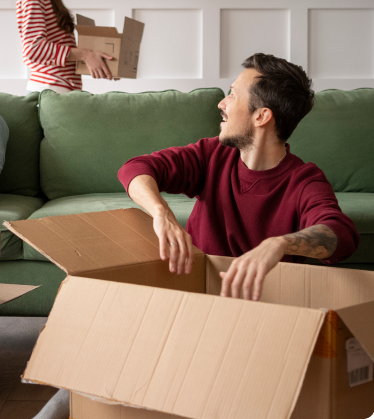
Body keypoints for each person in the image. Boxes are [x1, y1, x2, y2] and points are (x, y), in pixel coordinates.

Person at [118, 53, 359, 301]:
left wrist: (279, 244)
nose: (222, 104)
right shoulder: (212, 155)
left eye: (233, 95)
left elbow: (340, 235)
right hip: (197, 294)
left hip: (267, 304)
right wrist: (161, 212)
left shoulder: (303, 180)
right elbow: (136, 168)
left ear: (261, 116)